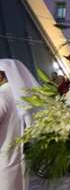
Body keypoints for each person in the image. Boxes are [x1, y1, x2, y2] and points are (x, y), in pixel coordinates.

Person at [0, 59, 38, 190]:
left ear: (1, 75)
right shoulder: (23, 96)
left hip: (3, 162)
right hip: (20, 159)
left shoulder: (2, 96)